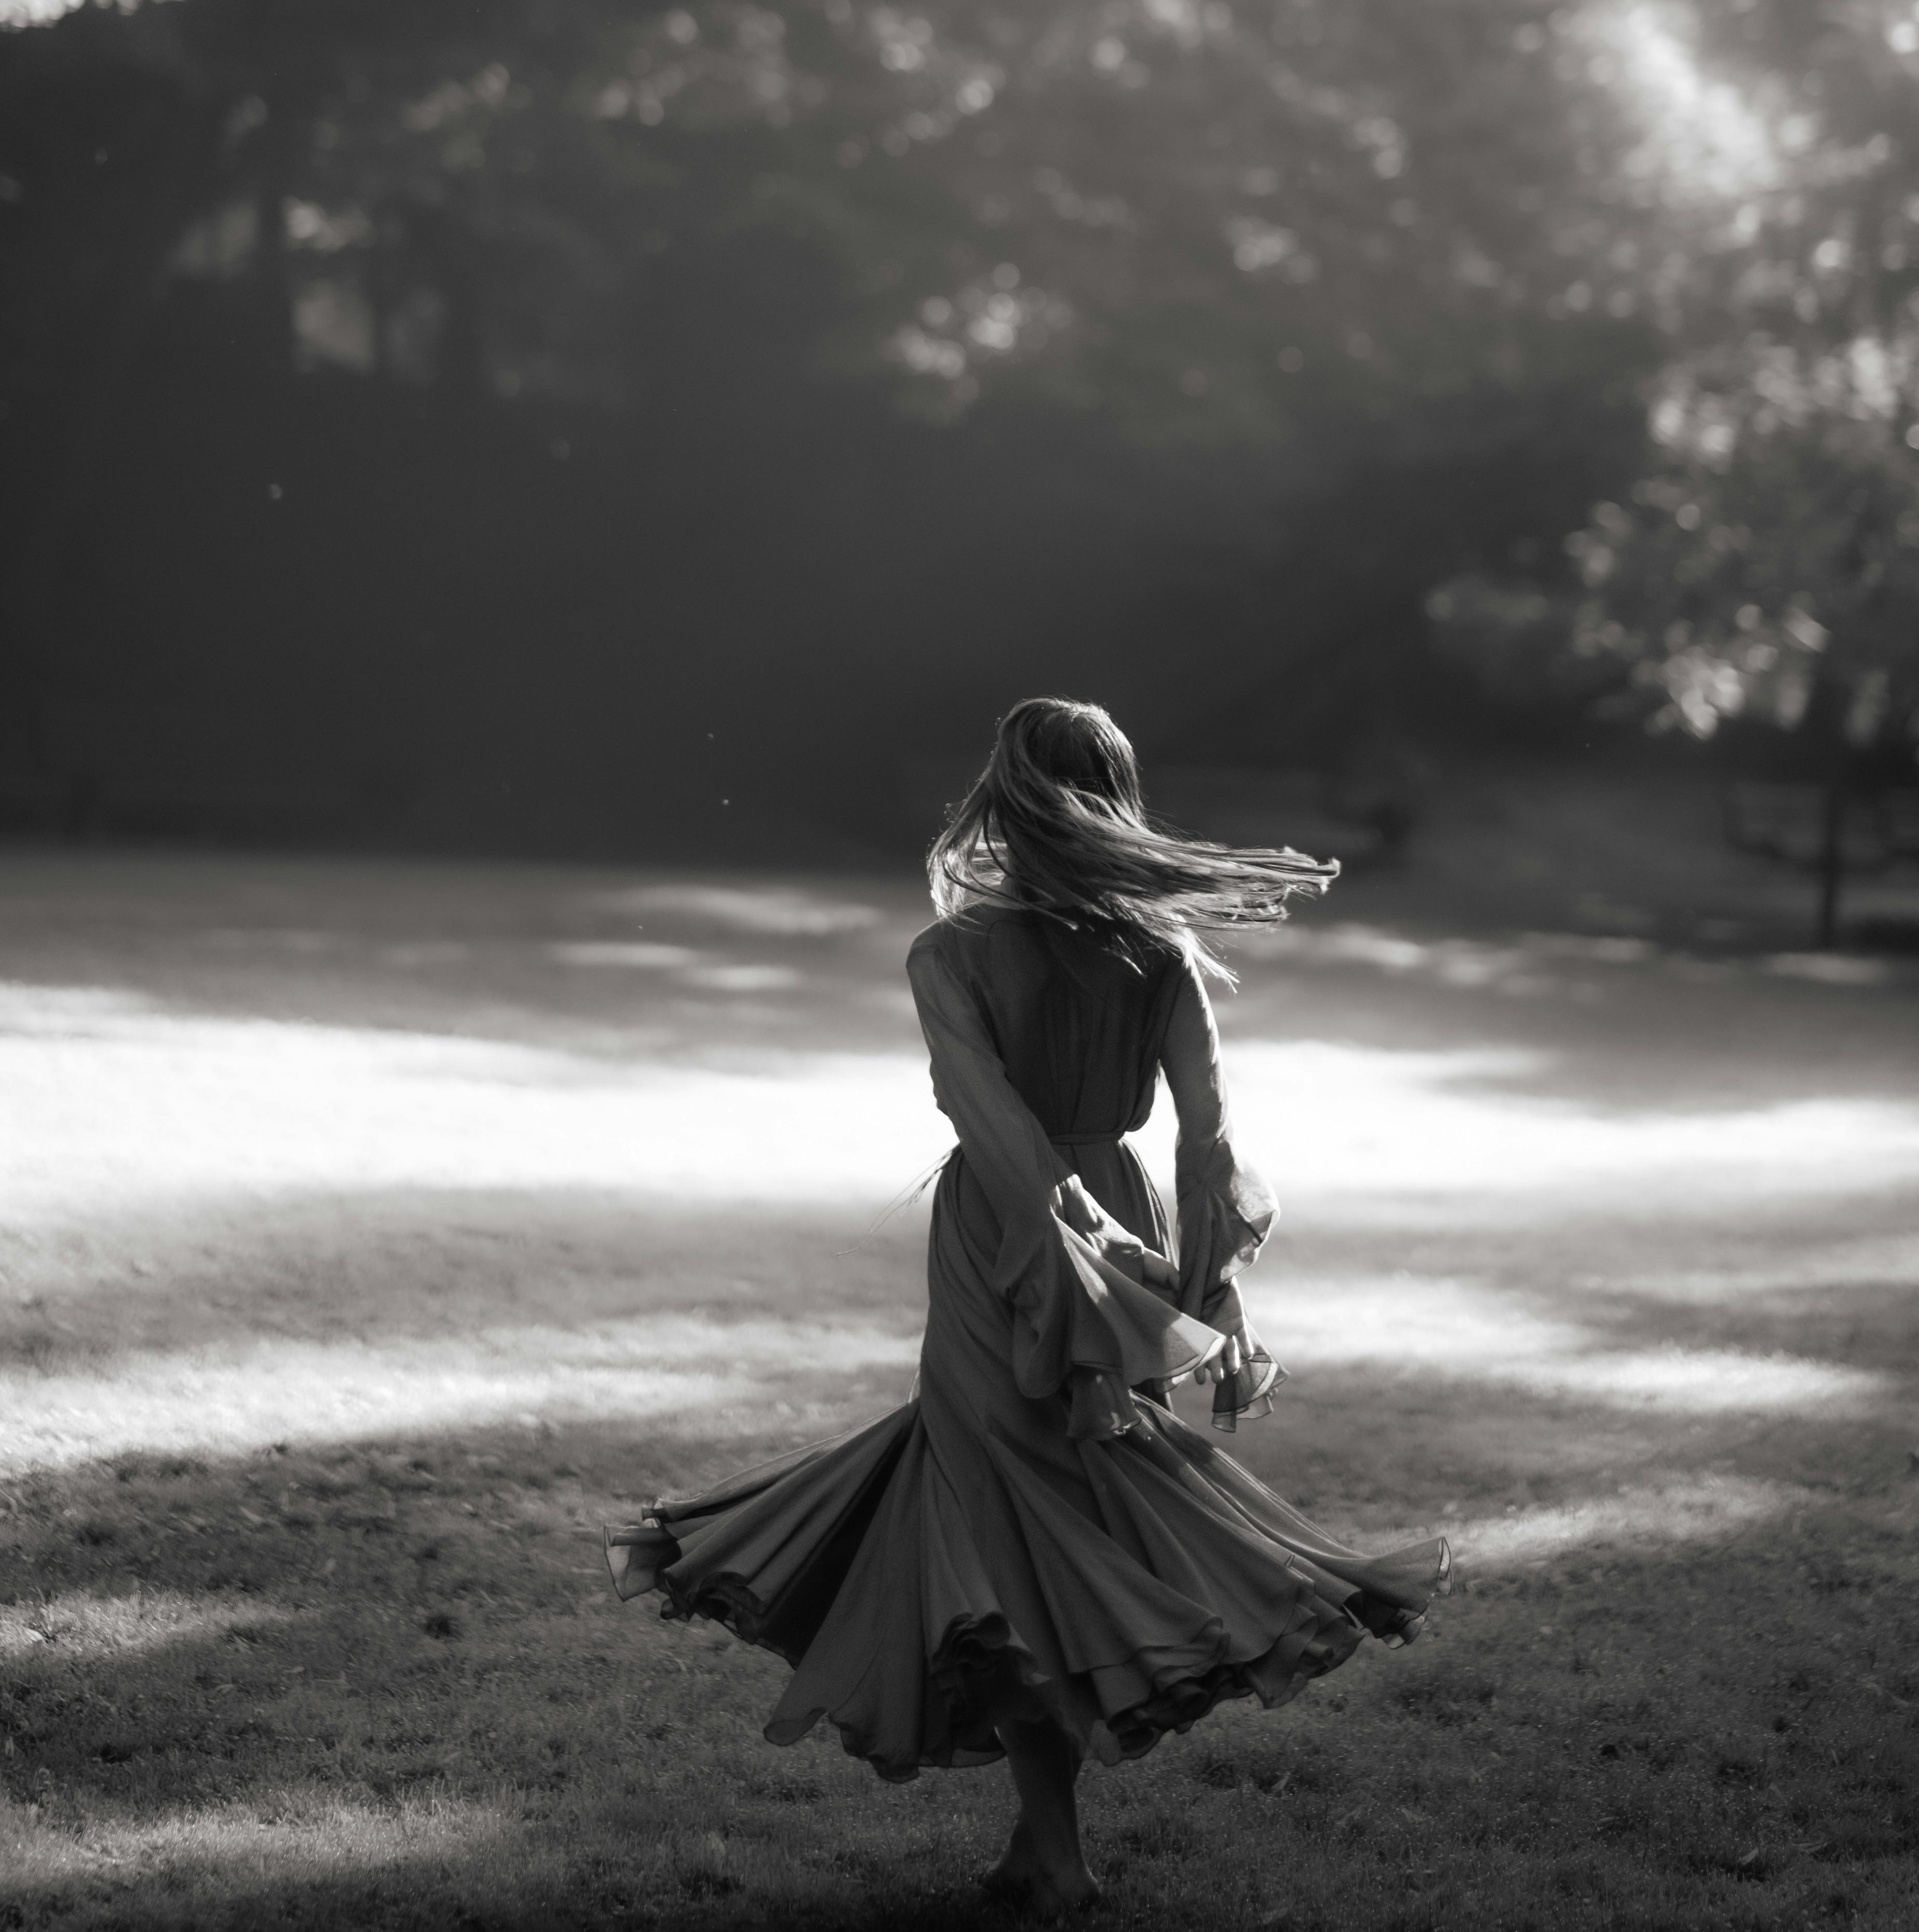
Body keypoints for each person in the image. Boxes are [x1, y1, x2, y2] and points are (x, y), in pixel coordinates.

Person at [603, 696, 1450, 1913]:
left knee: (1006, 1516)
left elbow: (981, 1111)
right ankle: (1041, 1843)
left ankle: (1051, 1849)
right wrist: (1206, 1289)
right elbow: (1209, 1143)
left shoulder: (952, 953)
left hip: (1019, 1226)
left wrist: (1086, 1232)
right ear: (1116, 795)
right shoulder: (1156, 954)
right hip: (1109, 1224)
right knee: (1045, 1513)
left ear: (1003, 794)